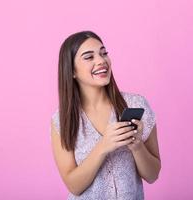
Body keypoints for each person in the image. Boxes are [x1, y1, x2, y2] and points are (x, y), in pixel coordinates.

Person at [50, 30, 161, 199]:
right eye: (89, 57)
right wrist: (103, 146)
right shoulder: (61, 120)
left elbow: (152, 175)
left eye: (104, 53)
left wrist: (137, 145)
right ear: (72, 71)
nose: (101, 61)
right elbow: (74, 186)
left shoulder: (136, 104)